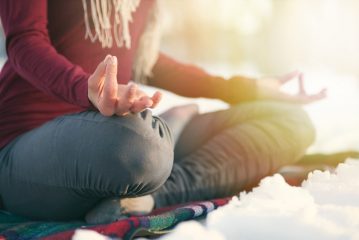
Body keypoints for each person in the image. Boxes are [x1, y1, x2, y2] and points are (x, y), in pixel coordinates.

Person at [0, 0, 325, 223]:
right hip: (27, 148)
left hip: (117, 135)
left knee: (290, 121)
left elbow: (147, 62)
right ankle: (159, 143)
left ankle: (149, 195)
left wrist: (248, 89)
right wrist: (87, 89)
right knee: (139, 150)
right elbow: (24, 42)